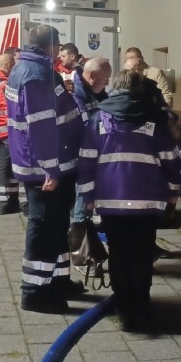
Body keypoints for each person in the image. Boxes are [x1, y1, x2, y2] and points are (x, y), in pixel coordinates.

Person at [78, 70, 179, 331]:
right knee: (142, 255)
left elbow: (87, 160)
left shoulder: (98, 117)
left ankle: (124, 310)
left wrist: (88, 197)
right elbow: (170, 160)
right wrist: (173, 191)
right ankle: (142, 309)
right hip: (148, 201)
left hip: (111, 201)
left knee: (119, 255)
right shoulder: (155, 117)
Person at [7, 25, 85, 313]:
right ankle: (35, 292)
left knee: (57, 225)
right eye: (59, 46)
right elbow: (40, 126)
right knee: (44, 227)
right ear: (51, 46)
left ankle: (57, 280)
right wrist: (50, 170)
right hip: (45, 168)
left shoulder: (31, 69)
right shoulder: (36, 75)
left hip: (50, 163)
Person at [67, 56, 111, 252]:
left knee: (87, 197)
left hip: (94, 153)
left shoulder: (95, 93)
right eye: (105, 79)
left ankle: (86, 239)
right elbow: (87, 126)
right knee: (82, 197)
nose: (107, 83)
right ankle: (79, 246)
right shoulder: (76, 96)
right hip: (80, 155)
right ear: (92, 76)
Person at [0, 51, 21, 215]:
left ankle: (9, 200)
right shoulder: (4, 84)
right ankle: (4, 202)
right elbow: (9, 108)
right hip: (7, 130)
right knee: (6, 166)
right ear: (8, 65)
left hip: (1, 130)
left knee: (7, 166)